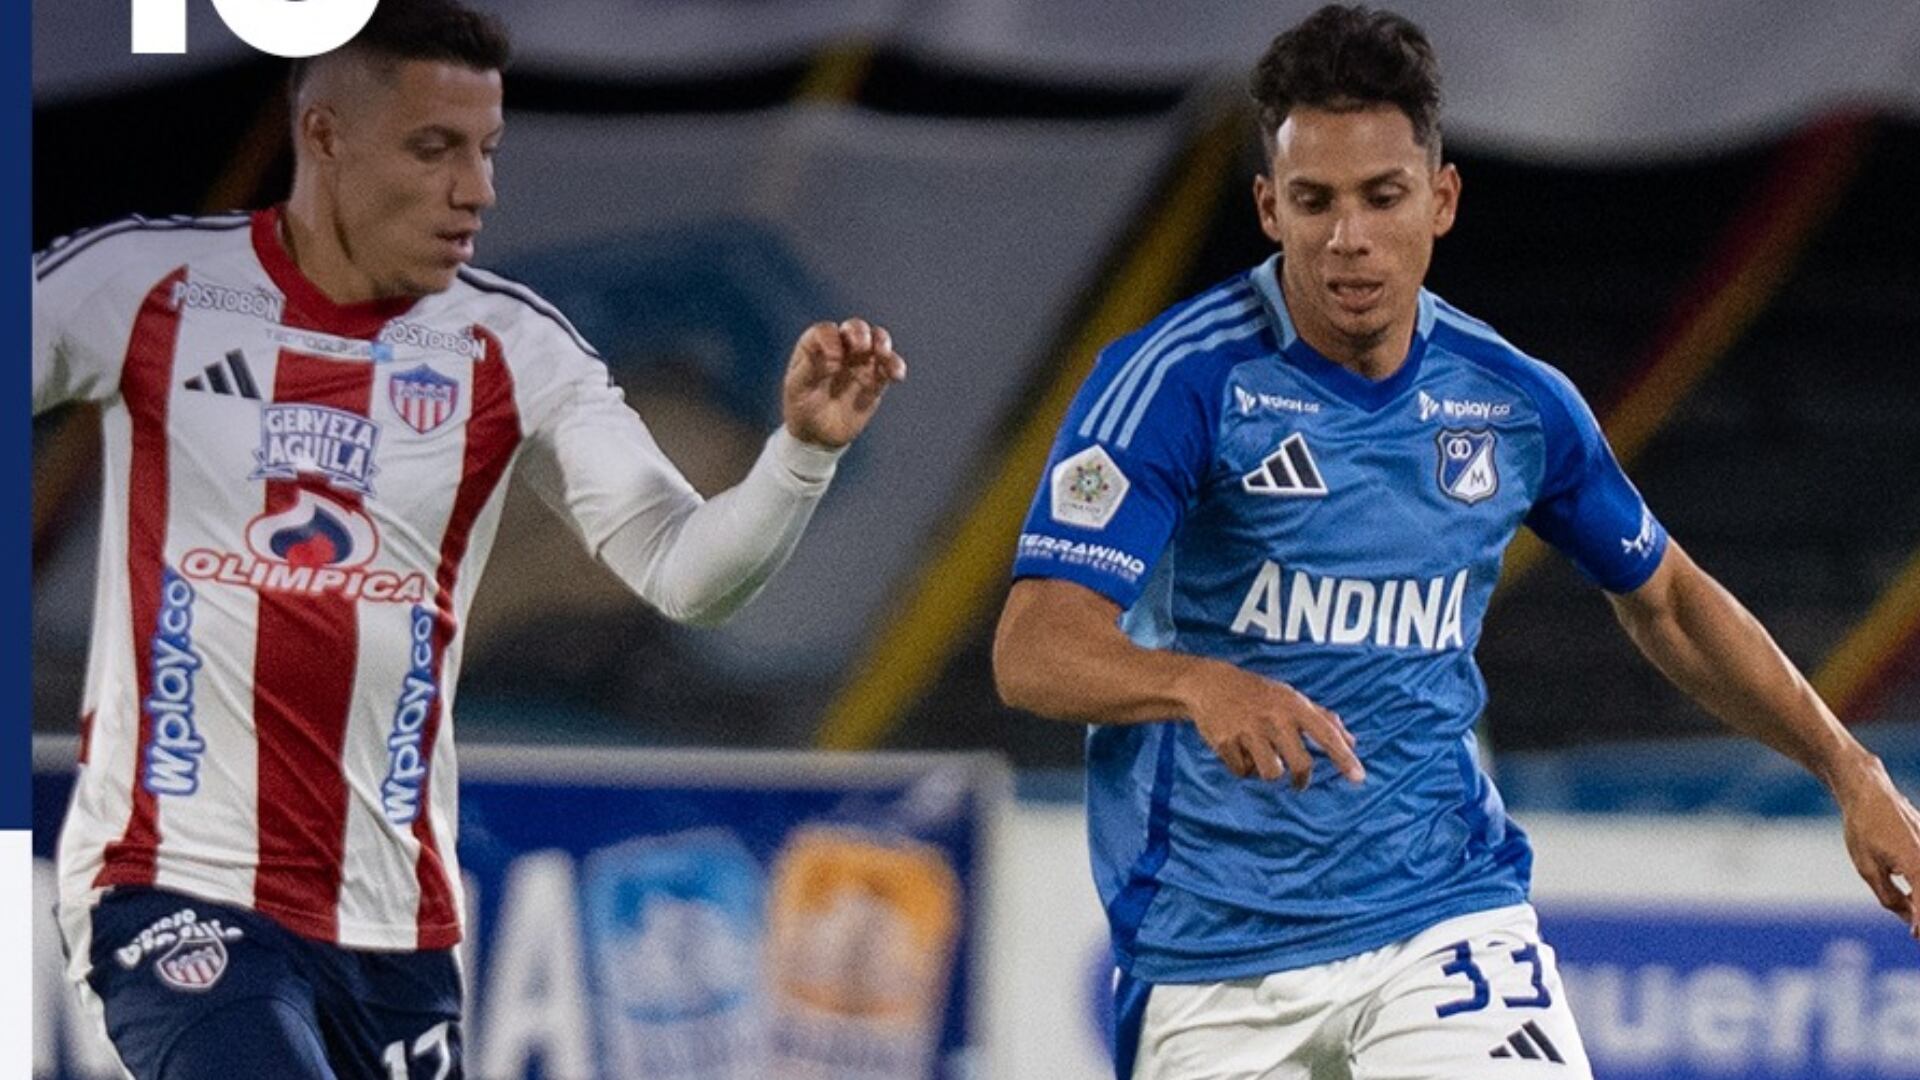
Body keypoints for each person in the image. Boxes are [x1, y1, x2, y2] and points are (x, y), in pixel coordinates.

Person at [991, 6, 1920, 1078]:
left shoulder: (1511, 400)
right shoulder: (1174, 383)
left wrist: (1851, 771)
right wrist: (1198, 685)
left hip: (1443, 914)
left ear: (1440, 199)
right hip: (1213, 952)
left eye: (1382, 196)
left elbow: (1666, 598)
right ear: (1269, 208)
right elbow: (1033, 649)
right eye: (1315, 200)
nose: (1349, 236)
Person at [31, 0, 905, 1075]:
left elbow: (689, 577)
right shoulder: (147, 286)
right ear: (325, 137)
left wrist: (801, 455)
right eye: (435, 149)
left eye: (487, 151)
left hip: (394, 932)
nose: (477, 190)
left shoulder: (513, 348)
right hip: (174, 885)